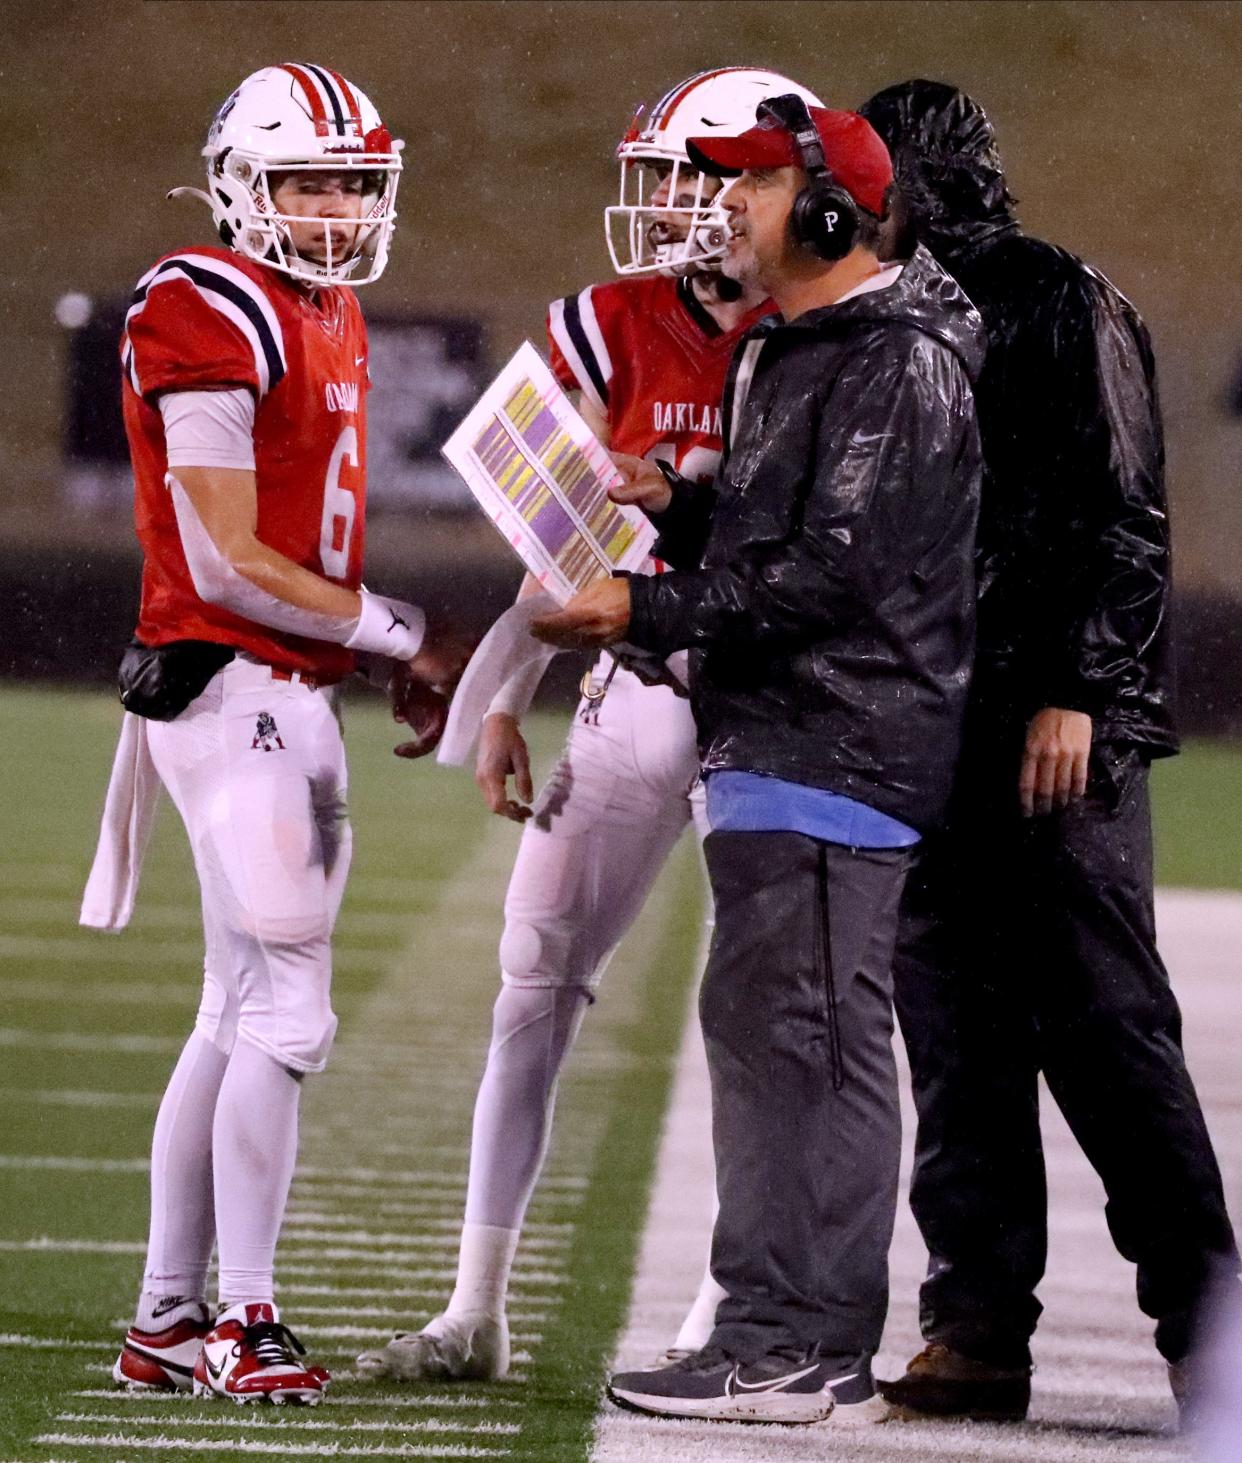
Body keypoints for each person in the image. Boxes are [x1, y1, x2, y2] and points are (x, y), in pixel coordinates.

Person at [356, 66, 823, 1386]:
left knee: (764, 1016)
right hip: (638, 688)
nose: (678, 204)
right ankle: (474, 1308)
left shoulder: (840, 330)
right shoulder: (609, 322)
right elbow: (560, 538)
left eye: (704, 173)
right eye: (674, 175)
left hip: (781, 709)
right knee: (532, 983)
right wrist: (504, 695)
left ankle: (729, 1314)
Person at [534, 95, 985, 1425]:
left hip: (837, 738)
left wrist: (642, 607)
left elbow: (837, 574)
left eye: (750, 184)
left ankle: (793, 1341)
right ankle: (778, 1329)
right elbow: (796, 533)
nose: (720, 204)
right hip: (791, 735)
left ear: (833, 210)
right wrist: (683, 507)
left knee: (803, 1040)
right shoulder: (807, 344)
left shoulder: (891, 357)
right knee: (771, 1032)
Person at [856, 80, 1239, 1429]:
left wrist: (1081, 687)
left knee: (1103, 1027)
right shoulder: (879, 310)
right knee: (955, 1039)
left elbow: (1118, 506)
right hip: (927, 724)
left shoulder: (1054, 297)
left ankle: (1211, 1337)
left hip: (1043, 722)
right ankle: (973, 1327)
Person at [95, 63, 464, 1405]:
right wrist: (402, 632)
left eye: (352, 183)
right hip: (232, 682)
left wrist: (362, 652)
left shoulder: (325, 308)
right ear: (240, 182)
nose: (331, 209)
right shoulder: (205, 300)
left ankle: (165, 1320)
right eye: (305, 181)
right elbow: (229, 556)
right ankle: (243, 1320)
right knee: (289, 1010)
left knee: (235, 1008)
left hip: (270, 685)